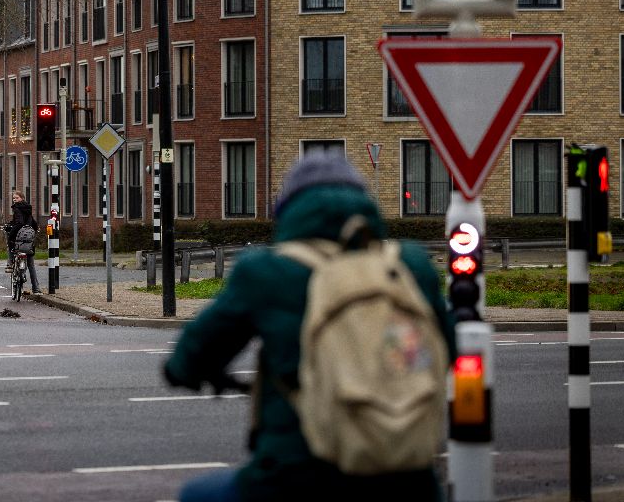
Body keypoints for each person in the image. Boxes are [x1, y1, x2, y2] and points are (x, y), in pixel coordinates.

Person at [163, 152, 452, 502]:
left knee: (197, 495)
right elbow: (449, 347)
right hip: (406, 478)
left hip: (297, 477)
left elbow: (189, 358)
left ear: (288, 212)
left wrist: (188, 372)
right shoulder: (410, 266)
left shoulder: (266, 272)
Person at [4, 190, 41, 294]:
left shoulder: (17, 208)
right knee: (31, 265)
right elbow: (31, 221)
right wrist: (35, 229)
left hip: (19, 237)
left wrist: (12, 232)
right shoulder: (28, 208)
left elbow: (19, 222)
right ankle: (36, 288)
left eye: (17, 198)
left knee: (10, 243)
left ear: (22, 198)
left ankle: (10, 264)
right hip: (28, 238)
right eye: (14, 198)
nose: (15, 200)